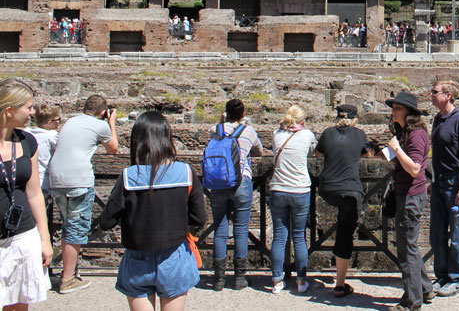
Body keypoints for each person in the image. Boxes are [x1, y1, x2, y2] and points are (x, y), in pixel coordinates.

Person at [98, 111, 206, 311]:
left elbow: (106, 222)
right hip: (174, 256)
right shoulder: (185, 173)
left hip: (138, 259)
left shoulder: (128, 177)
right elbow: (199, 218)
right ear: (167, 137)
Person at [48, 93, 119, 294]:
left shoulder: (71, 121)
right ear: (103, 112)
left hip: (57, 179)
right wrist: (111, 123)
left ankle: (69, 272)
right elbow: (113, 149)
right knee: (75, 229)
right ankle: (68, 279)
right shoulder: (101, 125)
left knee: (67, 226)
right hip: (77, 180)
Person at [0, 79, 53, 309]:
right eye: (28, 107)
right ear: (10, 111)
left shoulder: (27, 141)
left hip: (23, 235)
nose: (33, 112)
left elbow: (34, 193)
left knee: (20, 303)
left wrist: (45, 238)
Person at [385, 91, 434, 311]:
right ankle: (424, 288)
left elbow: (414, 168)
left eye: (397, 108)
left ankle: (411, 302)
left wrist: (395, 148)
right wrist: (381, 152)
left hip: (411, 197)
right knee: (410, 246)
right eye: (393, 108)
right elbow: (402, 160)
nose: (393, 112)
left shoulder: (416, 135)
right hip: (407, 194)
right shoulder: (407, 133)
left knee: (406, 250)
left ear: (409, 112)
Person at [316, 104, 371, 299]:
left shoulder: (327, 133)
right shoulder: (359, 134)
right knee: (344, 234)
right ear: (355, 119)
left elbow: (319, 154)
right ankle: (339, 284)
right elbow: (365, 154)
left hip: (327, 189)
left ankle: (295, 275)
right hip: (349, 191)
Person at [428, 80, 459, 296]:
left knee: (458, 233)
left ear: (448, 96)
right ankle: (442, 276)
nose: (431, 94)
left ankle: (457, 279)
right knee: (436, 232)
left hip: (456, 183)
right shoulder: (438, 119)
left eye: (435, 92)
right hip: (439, 183)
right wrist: (432, 180)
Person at [208, 99, 262, 291]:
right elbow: (259, 151)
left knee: (220, 231)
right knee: (240, 230)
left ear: (225, 112)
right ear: (243, 113)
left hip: (218, 183)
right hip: (241, 182)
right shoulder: (248, 131)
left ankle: (219, 280)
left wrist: (221, 121)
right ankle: (239, 279)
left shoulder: (215, 129)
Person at [268, 105, 316, 294]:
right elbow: (312, 153)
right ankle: (301, 281)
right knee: (299, 236)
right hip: (300, 190)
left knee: (279, 237)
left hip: (278, 188)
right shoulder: (308, 135)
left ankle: (277, 281)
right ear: (303, 121)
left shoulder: (276, 134)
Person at [25, 105, 60, 194]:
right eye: (57, 120)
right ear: (49, 122)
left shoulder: (28, 132)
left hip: (28, 182)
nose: (58, 123)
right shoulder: (52, 136)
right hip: (44, 182)